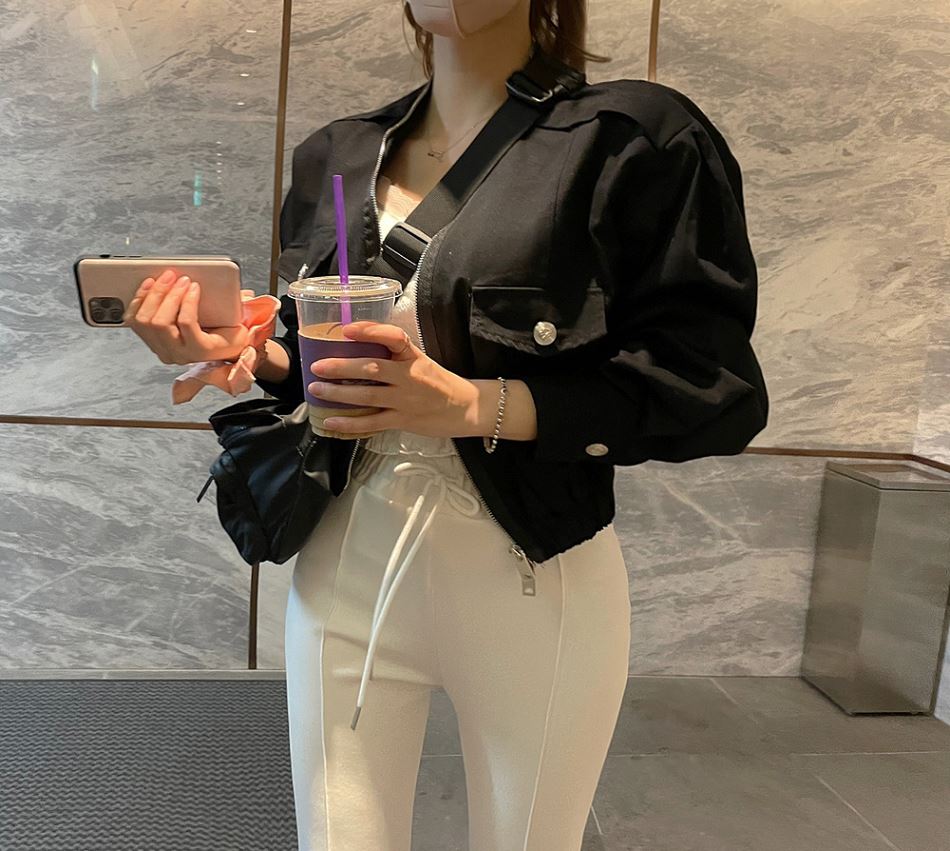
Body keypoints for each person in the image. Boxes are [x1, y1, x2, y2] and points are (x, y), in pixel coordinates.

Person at [126, 1, 769, 848]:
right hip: (343, 568)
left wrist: (474, 404)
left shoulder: (630, 139)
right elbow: (318, 356)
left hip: (533, 581)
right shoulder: (338, 153)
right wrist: (257, 351)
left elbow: (711, 384)